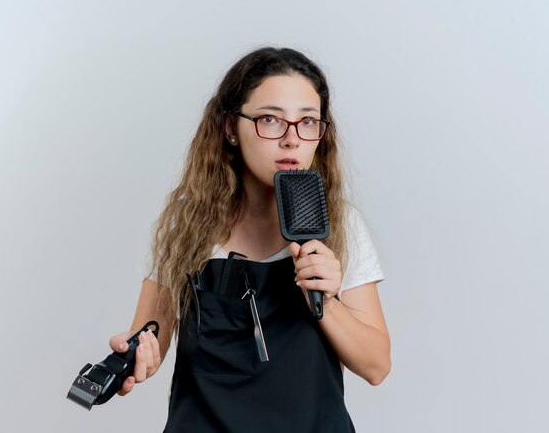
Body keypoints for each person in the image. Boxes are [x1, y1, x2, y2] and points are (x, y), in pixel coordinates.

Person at [109, 47, 391, 432]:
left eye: (307, 121)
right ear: (230, 128)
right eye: (270, 120)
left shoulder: (340, 225)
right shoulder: (185, 223)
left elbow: (377, 366)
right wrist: (135, 356)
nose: (292, 139)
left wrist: (324, 299)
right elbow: (151, 337)